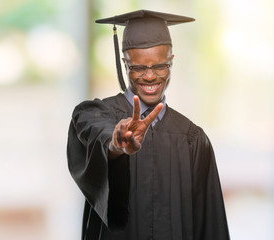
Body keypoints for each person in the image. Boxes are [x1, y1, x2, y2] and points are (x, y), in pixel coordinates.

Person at [67, 9, 230, 240]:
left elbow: (211, 227)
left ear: (171, 61)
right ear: (125, 63)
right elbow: (97, 134)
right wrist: (116, 145)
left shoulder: (193, 140)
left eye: (160, 66)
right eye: (139, 67)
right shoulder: (94, 115)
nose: (150, 76)